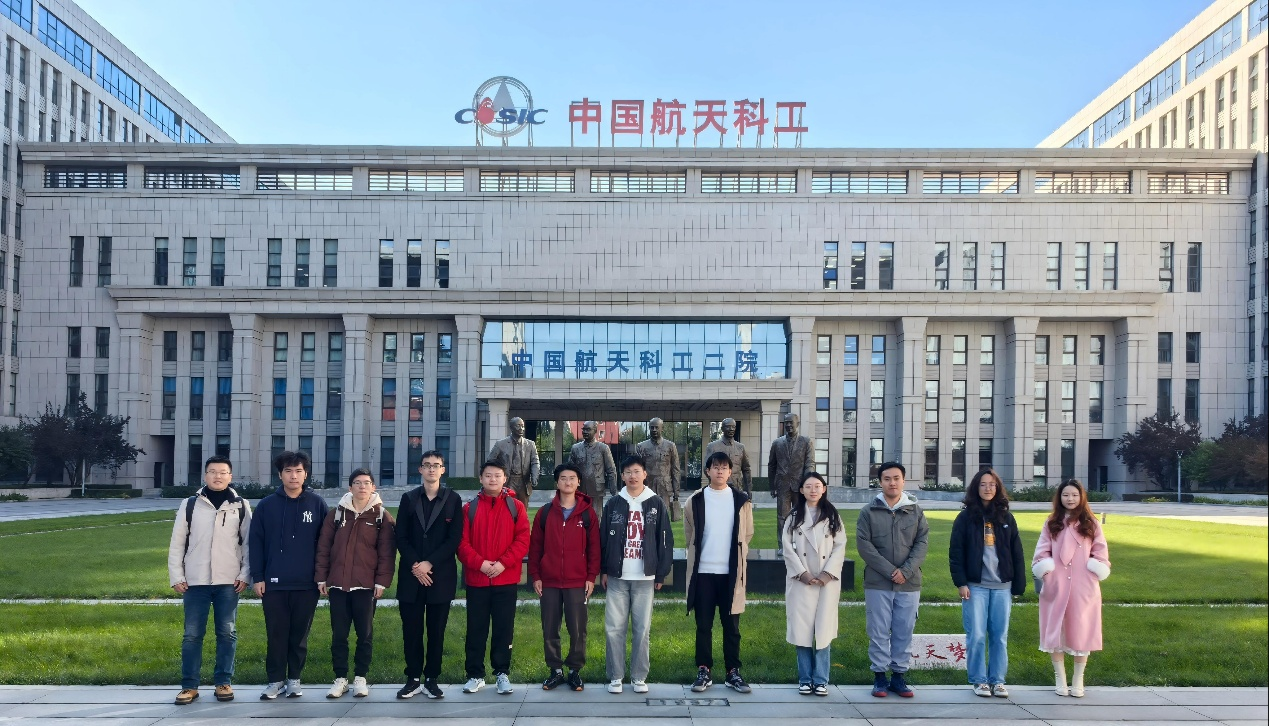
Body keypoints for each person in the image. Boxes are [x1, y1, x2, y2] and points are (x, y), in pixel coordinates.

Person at [168, 455, 252, 706]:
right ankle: (189, 686)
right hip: (195, 581)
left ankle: (223, 682)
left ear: (230, 476)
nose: (218, 476)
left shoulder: (240, 505)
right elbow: (177, 543)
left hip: (229, 581)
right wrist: (177, 575)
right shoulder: (190, 505)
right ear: (205, 475)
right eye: (213, 471)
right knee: (192, 635)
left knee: (227, 633)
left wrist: (245, 574)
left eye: (223, 472)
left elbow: (249, 544)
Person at [250, 451, 329, 700]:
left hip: (307, 584)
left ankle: (294, 679)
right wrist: (258, 577)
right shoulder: (266, 506)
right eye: (288, 471)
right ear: (280, 475)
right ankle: (275, 680)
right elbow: (256, 543)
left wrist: (322, 577)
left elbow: (326, 544)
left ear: (306, 474)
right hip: (273, 583)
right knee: (276, 634)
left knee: (299, 635)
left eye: (298, 471)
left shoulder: (317, 504)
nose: (293, 476)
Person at [315, 468, 396, 699]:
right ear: (350, 487)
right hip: (338, 586)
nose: (362, 487)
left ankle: (361, 677)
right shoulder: (336, 515)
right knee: (339, 635)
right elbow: (323, 548)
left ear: (373, 487)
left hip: (366, 587)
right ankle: (340, 678)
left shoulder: (381, 516)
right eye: (357, 483)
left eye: (367, 483)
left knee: (364, 634)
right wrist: (322, 577)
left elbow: (387, 553)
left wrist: (381, 582)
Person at [948, 468, 1026, 699]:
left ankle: (998, 680)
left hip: (1002, 587)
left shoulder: (1006, 518)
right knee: (977, 635)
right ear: (976, 488)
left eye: (992, 484)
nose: (988, 488)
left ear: (998, 488)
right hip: (976, 586)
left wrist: (1018, 585)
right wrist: (961, 583)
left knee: (999, 636)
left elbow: (1017, 553)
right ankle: (979, 680)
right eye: (983, 484)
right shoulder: (965, 518)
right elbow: (956, 553)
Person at [600, 455, 673, 695]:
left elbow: (665, 540)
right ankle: (616, 676)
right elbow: (602, 539)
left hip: (645, 578)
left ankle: (639, 676)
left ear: (645, 474)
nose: (633, 476)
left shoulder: (655, 503)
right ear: (622, 476)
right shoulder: (614, 503)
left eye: (637, 471)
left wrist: (661, 573)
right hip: (617, 577)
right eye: (628, 472)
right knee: (614, 628)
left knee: (642, 630)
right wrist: (603, 570)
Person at [394, 450, 464, 700]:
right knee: (411, 631)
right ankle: (413, 678)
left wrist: (429, 563)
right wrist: (416, 565)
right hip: (411, 576)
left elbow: (454, 538)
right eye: (427, 465)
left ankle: (432, 678)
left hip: (439, 576)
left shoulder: (453, 499)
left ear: (443, 470)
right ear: (420, 470)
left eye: (436, 465)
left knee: (436, 631)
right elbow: (400, 536)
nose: (431, 469)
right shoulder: (408, 498)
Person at [855, 462, 928, 699]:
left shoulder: (915, 511)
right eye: (887, 479)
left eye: (896, 478)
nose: (892, 483)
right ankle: (879, 677)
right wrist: (890, 571)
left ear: (903, 481)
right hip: (878, 582)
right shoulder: (868, 512)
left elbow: (922, 544)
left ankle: (898, 676)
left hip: (909, 583)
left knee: (903, 630)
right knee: (878, 630)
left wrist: (905, 571)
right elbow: (864, 546)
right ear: (880, 482)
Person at [457, 461, 531, 695]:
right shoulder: (469, 508)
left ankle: (501, 673)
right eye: (488, 475)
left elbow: (523, 540)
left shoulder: (516, 507)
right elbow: (461, 543)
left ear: (504, 478)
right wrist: (480, 564)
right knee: (476, 629)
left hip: (505, 579)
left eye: (497, 475)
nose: (492, 479)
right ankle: (475, 675)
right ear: (481, 479)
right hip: (477, 580)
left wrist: (502, 564)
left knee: (503, 628)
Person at [1032, 479, 1110, 698]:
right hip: (1056, 582)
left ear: (1081, 497)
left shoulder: (1091, 523)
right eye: (1066, 495)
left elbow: (1100, 551)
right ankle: (1060, 677)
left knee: (1082, 628)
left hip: (1083, 583)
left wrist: (1094, 569)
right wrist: (1047, 571)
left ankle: (1078, 678)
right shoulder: (1052, 522)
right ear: (1060, 497)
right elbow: (1041, 551)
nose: (1070, 499)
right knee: (1055, 628)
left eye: (1074, 495)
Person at [684, 451, 754, 694]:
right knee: (703, 625)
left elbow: (748, 533)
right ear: (708, 471)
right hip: (703, 572)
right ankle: (704, 670)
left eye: (724, 467)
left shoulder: (741, 500)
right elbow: (689, 534)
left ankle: (733, 672)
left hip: (730, 574)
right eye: (715, 467)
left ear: (730, 471)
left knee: (732, 627)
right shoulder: (695, 500)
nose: (720, 471)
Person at [528, 463, 600, 691]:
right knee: (550, 628)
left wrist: (591, 577)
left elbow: (594, 549)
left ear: (578, 482)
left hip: (577, 581)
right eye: (563, 478)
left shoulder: (587, 514)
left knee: (578, 629)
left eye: (572, 478)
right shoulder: (545, 513)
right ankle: (555, 670)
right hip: (549, 581)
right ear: (557, 482)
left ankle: (574, 671)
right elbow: (535, 547)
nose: (568, 482)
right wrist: (536, 575)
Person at [782, 472, 846, 697]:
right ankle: (805, 679)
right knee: (802, 631)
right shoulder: (794, 517)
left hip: (826, 583)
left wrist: (827, 574)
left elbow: (840, 547)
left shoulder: (833, 516)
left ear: (824, 489)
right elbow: (787, 548)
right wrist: (803, 574)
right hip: (802, 582)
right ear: (801, 490)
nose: (813, 490)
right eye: (808, 486)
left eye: (817, 486)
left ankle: (820, 680)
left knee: (823, 630)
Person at [768, 413, 812, 555]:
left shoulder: (806, 442)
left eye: (791, 422)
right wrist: (772, 486)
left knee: (802, 516)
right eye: (786, 422)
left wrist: (807, 485)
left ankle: (801, 545)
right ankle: (783, 545)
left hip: (800, 486)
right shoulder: (777, 443)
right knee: (782, 517)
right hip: (783, 486)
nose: (788, 425)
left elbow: (809, 464)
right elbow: (772, 466)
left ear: (797, 423)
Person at [635, 418, 681, 519]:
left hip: (665, 487)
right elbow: (637, 470)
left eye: (657, 427)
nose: (654, 430)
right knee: (647, 517)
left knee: (663, 517)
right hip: (647, 487)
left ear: (662, 429)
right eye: (652, 428)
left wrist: (676, 492)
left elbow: (675, 470)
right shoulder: (641, 447)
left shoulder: (670, 446)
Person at [488, 416, 541, 503]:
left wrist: (534, 476)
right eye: (518, 426)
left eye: (522, 426)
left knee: (523, 508)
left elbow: (535, 462)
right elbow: (490, 461)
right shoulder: (500, 444)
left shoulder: (530, 445)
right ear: (511, 427)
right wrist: (496, 477)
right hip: (508, 481)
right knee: (508, 506)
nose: (521, 429)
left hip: (524, 482)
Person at [568, 420, 617, 509]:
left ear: (595, 431)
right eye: (583, 429)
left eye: (588, 429)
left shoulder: (603, 448)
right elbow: (570, 470)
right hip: (580, 490)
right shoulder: (575, 448)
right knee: (579, 515)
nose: (585, 432)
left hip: (597, 490)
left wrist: (614, 492)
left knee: (596, 515)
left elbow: (611, 470)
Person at [704, 418, 753, 498]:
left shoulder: (740, 447)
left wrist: (748, 490)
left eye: (733, 427)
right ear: (722, 428)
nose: (731, 429)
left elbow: (746, 469)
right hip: (718, 490)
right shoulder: (713, 446)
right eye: (728, 426)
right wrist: (717, 481)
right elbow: (706, 468)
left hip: (736, 489)